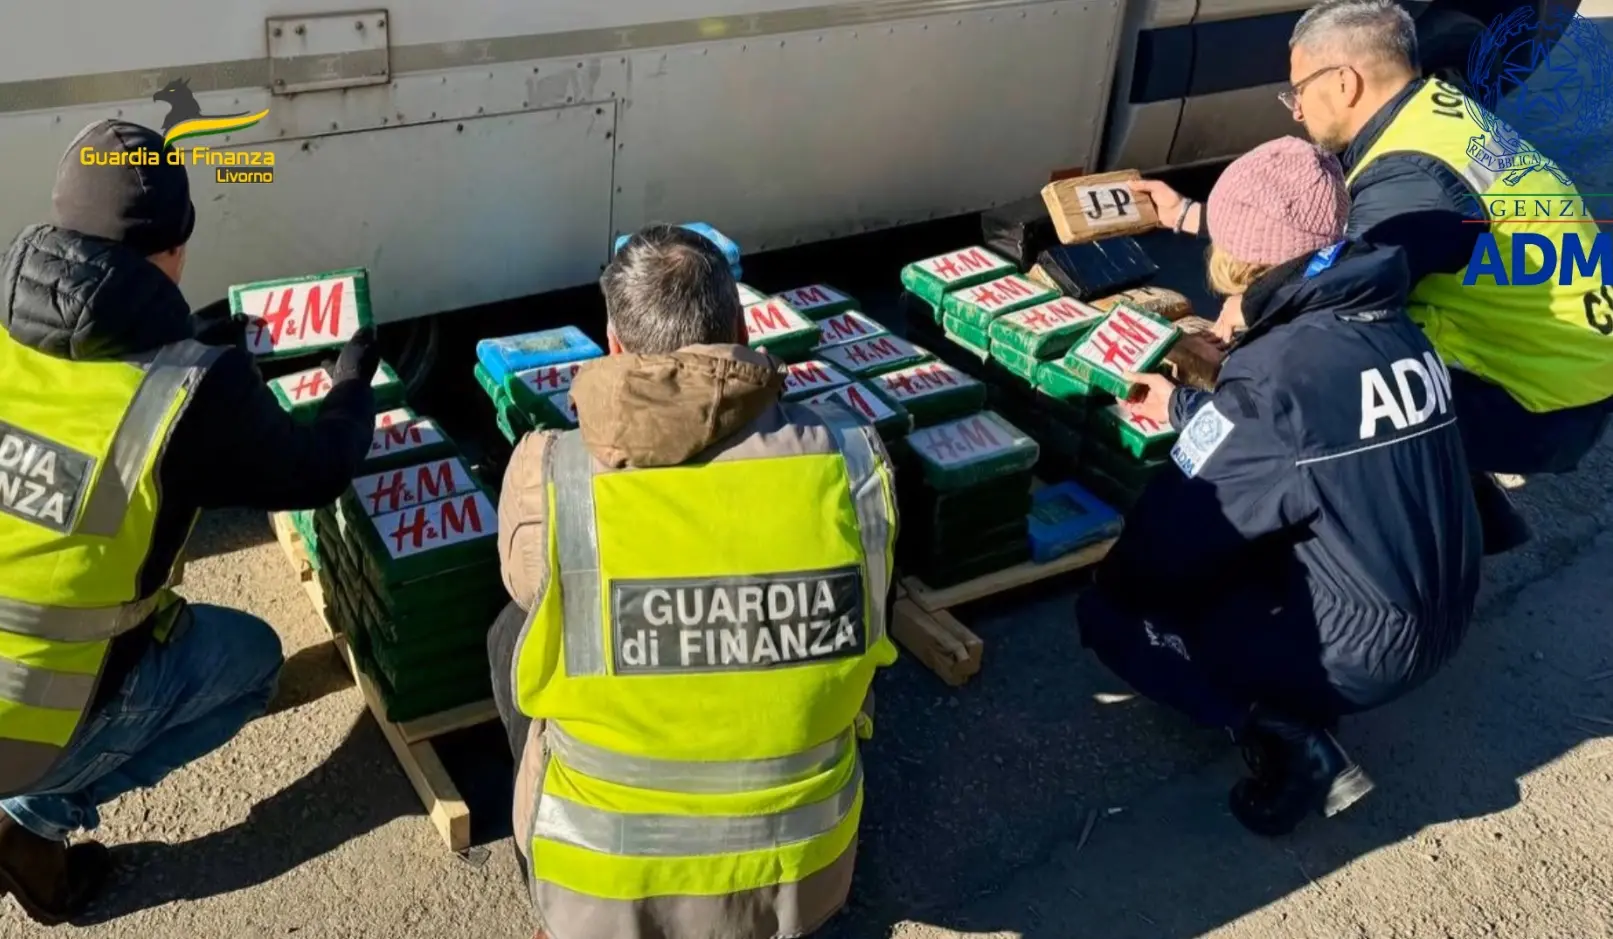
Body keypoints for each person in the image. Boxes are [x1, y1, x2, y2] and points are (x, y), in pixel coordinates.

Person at [0, 120, 380, 924]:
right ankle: (32, 819)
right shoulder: (187, 393)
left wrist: (193, 334)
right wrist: (352, 386)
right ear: (175, 249)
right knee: (251, 662)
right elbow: (312, 471)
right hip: (26, 723)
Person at [487, 224, 898, 939]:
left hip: (603, 883)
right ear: (740, 329)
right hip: (803, 868)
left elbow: (528, 588)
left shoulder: (551, 471)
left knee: (512, 631)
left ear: (612, 343)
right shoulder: (853, 459)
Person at [1079, 137, 1482, 836]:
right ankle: (1292, 679)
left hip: (1361, 648)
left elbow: (1172, 539)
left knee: (1112, 611)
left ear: (1241, 256)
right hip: (1442, 607)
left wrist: (1117, 579)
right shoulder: (1391, 325)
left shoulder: (1275, 376)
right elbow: (1308, 437)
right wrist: (1183, 410)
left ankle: (1283, 733)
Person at [1131, 0, 1612, 555]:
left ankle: (1405, 559)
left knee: (1326, 374)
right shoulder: (1431, 115)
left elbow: (1314, 314)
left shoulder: (1414, 179)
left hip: (1542, 398)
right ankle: (1463, 509)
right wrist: (1188, 215)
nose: (1294, 110)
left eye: (1298, 89)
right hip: (1568, 359)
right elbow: (1304, 236)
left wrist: (1202, 389)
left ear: (1343, 83)